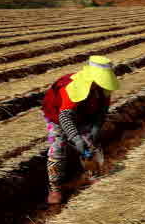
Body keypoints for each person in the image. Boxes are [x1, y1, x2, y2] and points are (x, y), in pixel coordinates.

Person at [42, 56, 120, 204]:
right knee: (58, 147)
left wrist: (95, 129)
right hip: (58, 116)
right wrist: (76, 138)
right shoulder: (72, 87)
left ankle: (93, 174)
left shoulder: (104, 89)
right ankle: (55, 188)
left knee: (91, 145)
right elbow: (65, 117)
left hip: (85, 115)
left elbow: (102, 111)